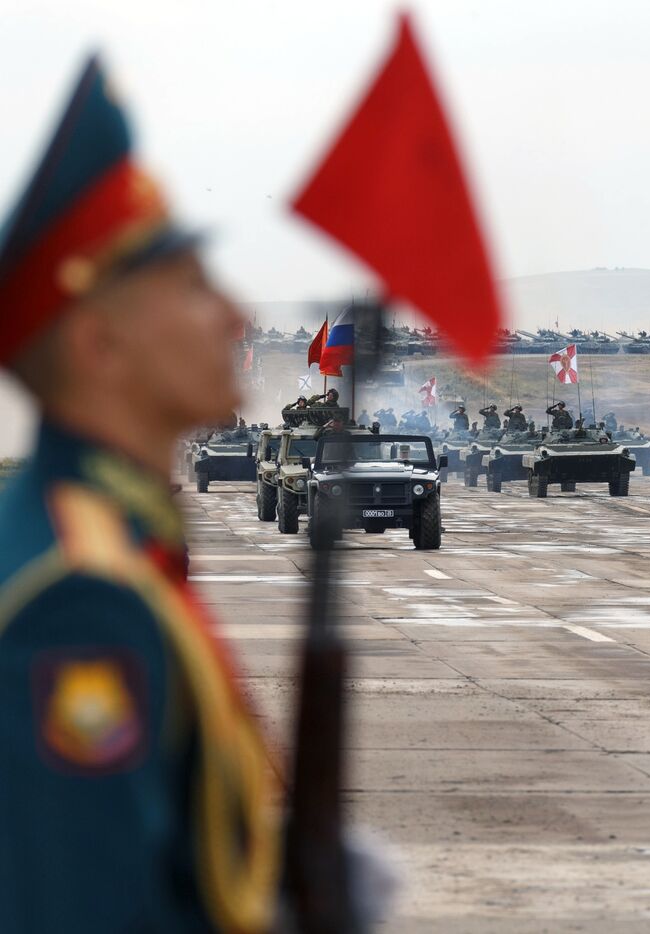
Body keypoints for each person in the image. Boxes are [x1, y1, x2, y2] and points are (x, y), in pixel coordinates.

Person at [0, 58, 279, 929]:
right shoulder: (81, 603)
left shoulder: (108, 543)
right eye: (193, 288)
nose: (235, 316)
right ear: (100, 347)